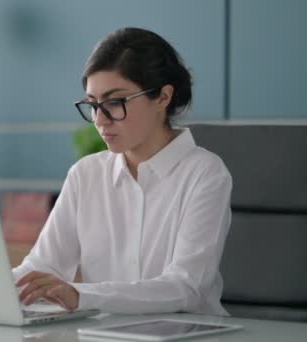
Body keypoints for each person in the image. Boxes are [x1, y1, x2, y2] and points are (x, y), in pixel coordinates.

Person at [12, 27, 232, 316]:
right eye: (92, 105)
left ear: (163, 97)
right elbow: (42, 268)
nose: (100, 120)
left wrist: (81, 295)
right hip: (107, 334)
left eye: (114, 102)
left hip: (190, 334)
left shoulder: (205, 174)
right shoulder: (86, 174)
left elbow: (185, 288)